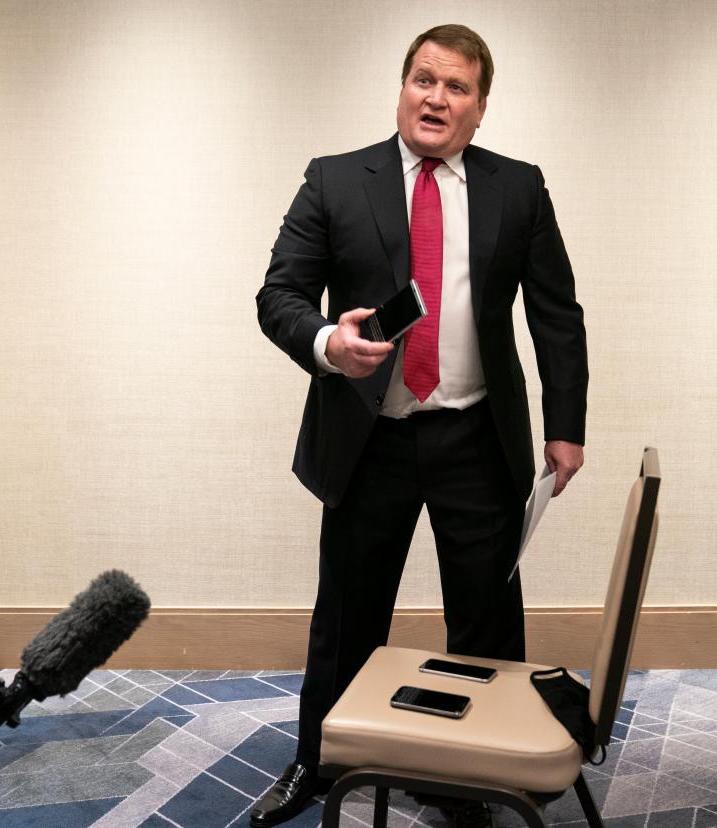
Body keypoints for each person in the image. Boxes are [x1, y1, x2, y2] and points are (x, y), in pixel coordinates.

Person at [252, 24, 588, 828]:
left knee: (484, 621)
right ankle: (319, 760)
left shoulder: (519, 186)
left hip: (478, 438)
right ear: (402, 87)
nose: (436, 99)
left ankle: (471, 778)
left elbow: (556, 315)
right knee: (347, 615)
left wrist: (565, 425)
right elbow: (279, 296)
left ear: (480, 109)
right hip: (372, 440)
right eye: (423, 81)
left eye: (457, 87)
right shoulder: (336, 180)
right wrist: (332, 343)